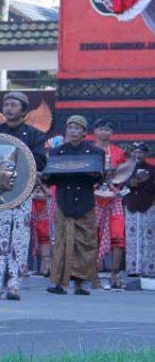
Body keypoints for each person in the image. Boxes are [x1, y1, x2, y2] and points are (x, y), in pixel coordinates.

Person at [0, 92, 47, 301]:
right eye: (6, 104)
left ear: (24, 110)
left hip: (21, 193)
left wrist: (16, 153)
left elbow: (40, 161)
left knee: (18, 239)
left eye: (13, 105)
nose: (8, 108)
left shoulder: (35, 135)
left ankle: (13, 286)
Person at [45, 115, 104, 296]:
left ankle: (80, 284)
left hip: (85, 201)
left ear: (84, 132)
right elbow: (51, 179)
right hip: (64, 200)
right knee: (62, 242)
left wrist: (94, 173)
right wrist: (46, 175)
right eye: (70, 128)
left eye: (77, 128)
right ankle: (60, 284)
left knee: (85, 243)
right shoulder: (57, 152)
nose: (73, 131)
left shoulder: (94, 152)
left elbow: (101, 178)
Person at [92, 118, 128, 289]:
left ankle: (114, 274)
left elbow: (124, 176)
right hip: (93, 198)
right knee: (92, 236)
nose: (104, 132)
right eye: (100, 129)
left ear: (111, 132)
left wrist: (116, 184)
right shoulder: (88, 150)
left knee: (117, 235)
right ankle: (93, 274)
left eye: (107, 129)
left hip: (114, 199)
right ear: (94, 131)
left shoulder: (119, 152)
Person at [124, 142, 155, 278]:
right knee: (131, 238)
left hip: (148, 206)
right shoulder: (125, 169)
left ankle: (148, 269)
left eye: (141, 152)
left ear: (146, 154)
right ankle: (132, 269)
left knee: (148, 238)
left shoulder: (153, 169)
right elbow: (121, 186)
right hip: (131, 206)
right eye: (135, 152)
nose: (138, 155)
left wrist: (144, 183)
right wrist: (131, 183)